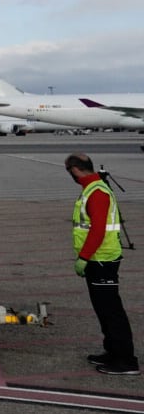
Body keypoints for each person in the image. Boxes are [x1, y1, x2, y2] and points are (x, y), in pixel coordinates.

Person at [66, 152, 139, 376]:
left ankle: (126, 360)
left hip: (102, 259)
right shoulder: (92, 188)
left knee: (111, 310)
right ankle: (113, 351)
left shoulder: (96, 192)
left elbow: (98, 230)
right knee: (103, 308)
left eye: (70, 172)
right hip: (98, 259)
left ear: (76, 170)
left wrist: (84, 258)